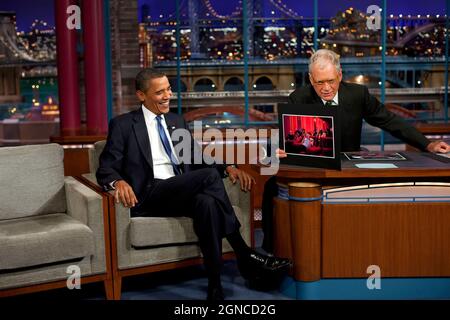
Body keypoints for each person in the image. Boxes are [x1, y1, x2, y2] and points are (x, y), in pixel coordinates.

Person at [96, 68, 291, 301]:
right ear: (141, 95)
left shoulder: (176, 121)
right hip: (150, 195)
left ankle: (215, 285)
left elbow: (196, 157)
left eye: (169, 89)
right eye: (160, 92)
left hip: (181, 191)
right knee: (208, 177)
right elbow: (105, 167)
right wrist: (117, 181)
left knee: (207, 203)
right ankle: (244, 253)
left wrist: (228, 168)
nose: (168, 95)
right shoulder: (123, 124)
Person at [261, 49, 450, 254]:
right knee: (271, 186)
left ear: (340, 75)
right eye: (319, 82)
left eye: (331, 81)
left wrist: (427, 144)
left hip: (348, 167)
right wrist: (275, 149)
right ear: (310, 79)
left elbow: (388, 120)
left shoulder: (358, 94)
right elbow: (282, 136)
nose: (326, 88)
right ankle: (272, 251)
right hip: (314, 168)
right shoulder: (298, 98)